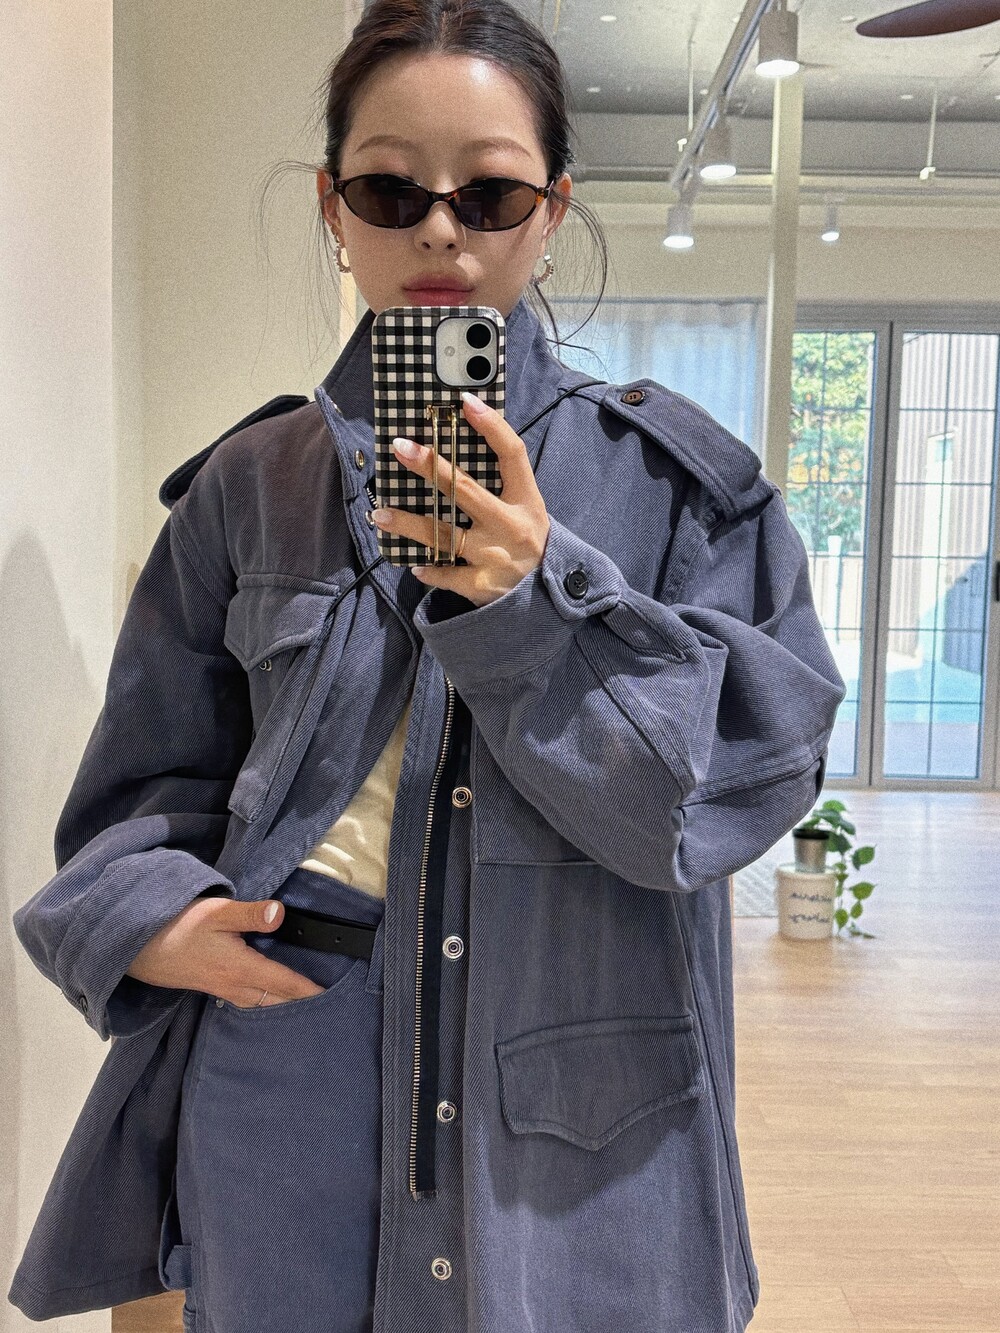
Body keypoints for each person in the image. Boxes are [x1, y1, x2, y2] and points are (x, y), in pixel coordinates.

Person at [9, 2, 846, 1331]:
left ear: (552, 211)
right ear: (334, 209)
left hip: (580, 1101)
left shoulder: (679, 491)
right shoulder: (248, 489)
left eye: (491, 194)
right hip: (290, 1066)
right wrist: (154, 921)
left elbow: (726, 794)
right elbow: (141, 790)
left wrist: (534, 599)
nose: (442, 233)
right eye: (393, 192)